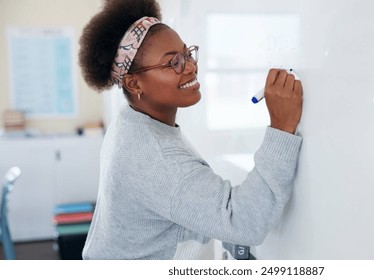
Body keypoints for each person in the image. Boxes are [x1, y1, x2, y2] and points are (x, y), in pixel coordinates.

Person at [78, 0, 303, 259]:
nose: (190, 66)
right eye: (173, 62)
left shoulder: (130, 121)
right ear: (134, 83)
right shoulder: (155, 158)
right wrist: (282, 127)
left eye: (187, 54)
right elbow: (243, 222)